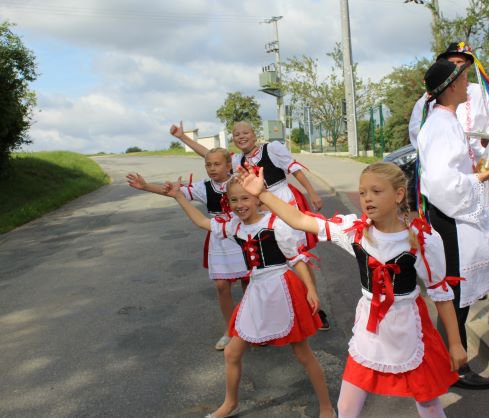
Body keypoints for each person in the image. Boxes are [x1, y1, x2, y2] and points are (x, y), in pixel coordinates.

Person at [237, 161, 466, 418]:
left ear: (399, 194)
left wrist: (455, 344)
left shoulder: (421, 240)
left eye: (376, 191)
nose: (367, 198)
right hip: (369, 329)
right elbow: (301, 220)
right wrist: (263, 194)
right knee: (346, 407)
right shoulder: (354, 232)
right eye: (362, 192)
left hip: (409, 326)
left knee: (428, 403)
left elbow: (441, 295)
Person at [163, 176, 335, 418]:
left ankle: (326, 407)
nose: (239, 204)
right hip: (256, 289)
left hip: (282, 288)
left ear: (257, 199)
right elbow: (202, 221)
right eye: (233, 199)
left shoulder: (276, 223)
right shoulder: (235, 226)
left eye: (245, 198)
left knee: (302, 353)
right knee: (232, 352)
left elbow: (296, 259)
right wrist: (179, 196)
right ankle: (230, 403)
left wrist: (311, 289)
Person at [417, 59, 489, 390]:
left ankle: (454, 360)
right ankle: (452, 365)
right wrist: (476, 178)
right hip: (452, 216)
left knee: (478, 271)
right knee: (455, 288)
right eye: (465, 79)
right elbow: (439, 181)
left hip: (458, 213)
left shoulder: (446, 120)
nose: (469, 85)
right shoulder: (439, 125)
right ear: (451, 87)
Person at [172, 121, 332, 330]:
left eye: (245, 132)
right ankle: (277, 313)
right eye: (237, 134)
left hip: (282, 202)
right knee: (271, 261)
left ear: (255, 135)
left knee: (296, 255)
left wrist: (311, 192)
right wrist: (183, 138)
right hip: (258, 207)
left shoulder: (272, 149)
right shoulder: (238, 160)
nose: (241, 136)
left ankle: (314, 307)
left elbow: (295, 169)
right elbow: (210, 155)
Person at [126, 148, 248, 351]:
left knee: (248, 283)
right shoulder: (204, 187)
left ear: (229, 165)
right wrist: (146, 186)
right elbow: (175, 193)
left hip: (243, 235)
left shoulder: (241, 181)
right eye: (208, 164)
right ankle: (230, 330)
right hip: (219, 237)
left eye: (217, 164)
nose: (212, 168)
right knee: (221, 286)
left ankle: (253, 327)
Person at [408, 42, 489, 158]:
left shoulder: (481, 92)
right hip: (445, 159)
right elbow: (416, 130)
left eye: (459, 62)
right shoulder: (429, 98)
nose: (456, 66)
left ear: (467, 65)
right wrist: (435, 152)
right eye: (452, 63)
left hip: (479, 162)